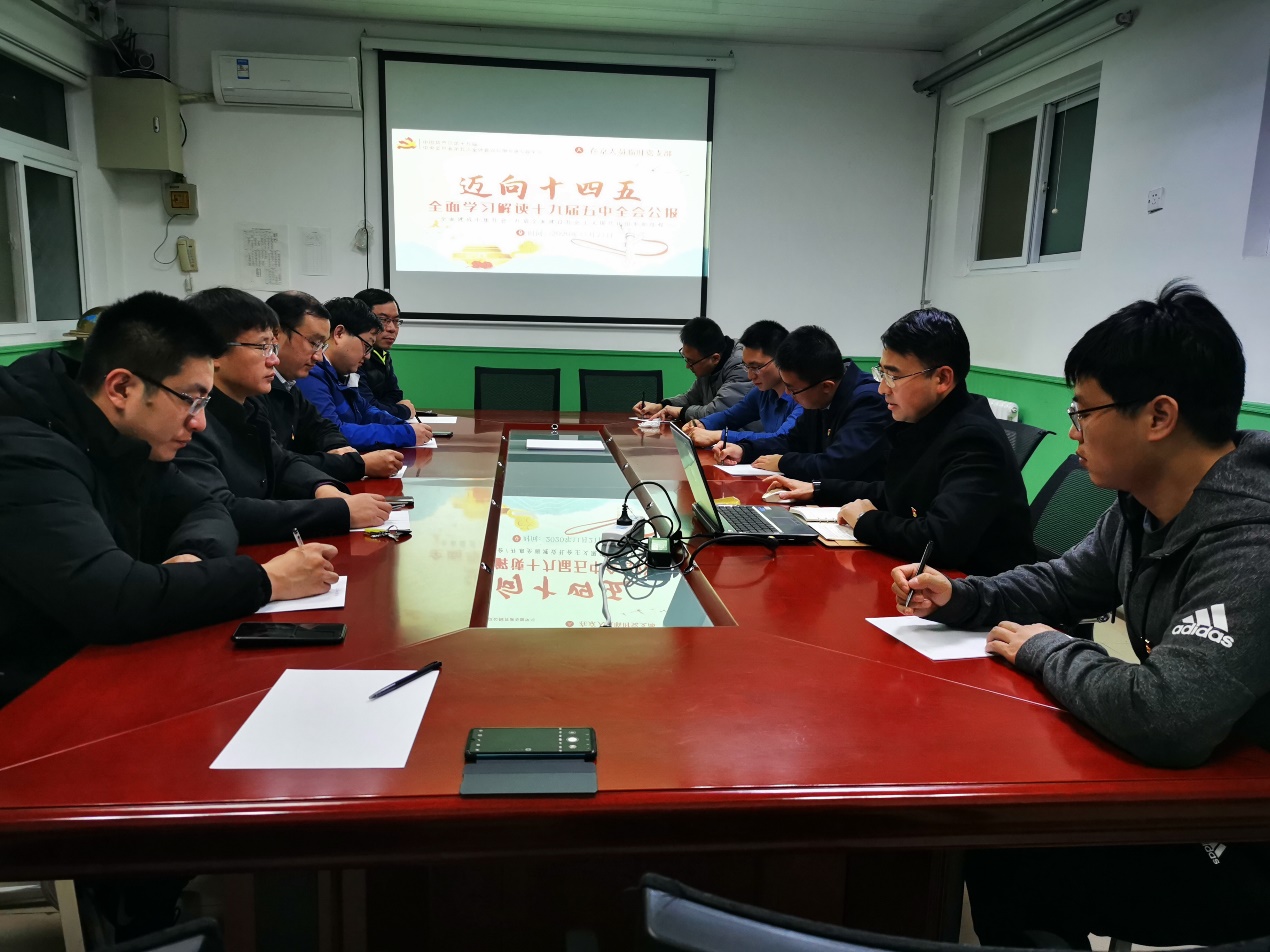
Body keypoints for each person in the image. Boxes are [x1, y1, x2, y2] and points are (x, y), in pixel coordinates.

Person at [892, 283, 1270, 947]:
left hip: (1245, 839)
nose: (1072, 430)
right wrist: (963, 596)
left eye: (1084, 411)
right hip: (1208, 789)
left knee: (1009, 851)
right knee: (995, 833)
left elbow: (1169, 717)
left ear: (1158, 417)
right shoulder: (1142, 505)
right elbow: (1062, 583)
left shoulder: (1253, 541)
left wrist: (1046, 648)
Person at [0, 291, 338, 709]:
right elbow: (110, 598)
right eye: (190, 400)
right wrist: (267, 581)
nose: (200, 423)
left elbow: (207, 507)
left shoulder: (125, 435)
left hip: (97, 665)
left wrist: (194, 557)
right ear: (122, 388)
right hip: (29, 697)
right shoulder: (24, 455)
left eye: (205, 403)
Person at [766, 309, 1032, 576]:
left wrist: (866, 520)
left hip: (978, 588)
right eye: (881, 373)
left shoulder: (974, 440)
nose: (882, 388)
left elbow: (940, 541)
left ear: (942, 379)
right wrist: (819, 489)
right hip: (932, 581)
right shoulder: (927, 420)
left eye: (893, 376)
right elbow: (898, 492)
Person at [175, 287, 392, 543]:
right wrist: (337, 511)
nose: (273, 360)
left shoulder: (249, 406)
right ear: (215, 351)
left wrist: (323, 488)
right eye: (263, 347)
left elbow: (281, 462)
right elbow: (221, 510)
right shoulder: (187, 422)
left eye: (272, 347)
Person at [713, 325, 890, 481]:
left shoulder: (868, 401)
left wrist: (783, 462)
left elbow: (838, 464)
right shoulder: (818, 393)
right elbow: (791, 441)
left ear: (826, 386)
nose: (788, 394)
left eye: (793, 389)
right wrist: (745, 450)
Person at [263, 291, 404, 480]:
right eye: (313, 343)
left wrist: (340, 449)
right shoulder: (258, 390)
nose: (319, 356)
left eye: (321, 345)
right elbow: (276, 463)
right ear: (276, 335)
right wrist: (355, 464)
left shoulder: (289, 385)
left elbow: (323, 428)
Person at [296, 297, 433, 451]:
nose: (367, 356)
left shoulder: (340, 373)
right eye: (366, 346)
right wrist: (403, 434)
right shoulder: (311, 373)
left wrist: (402, 426)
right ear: (339, 333)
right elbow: (334, 432)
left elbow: (366, 410)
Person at [680, 320, 803, 448]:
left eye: (756, 367)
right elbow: (731, 416)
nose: (750, 376)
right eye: (747, 366)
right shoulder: (762, 392)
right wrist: (703, 424)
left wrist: (720, 435)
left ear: (781, 359)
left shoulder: (803, 397)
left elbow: (780, 438)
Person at [633, 317, 752, 422]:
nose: (687, 366)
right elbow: (691, 398)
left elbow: (717, 413)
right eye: (686, 359)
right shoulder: (708, 364)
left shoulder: (743, 367)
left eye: (691, 362)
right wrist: (661, 406)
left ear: (715, 358)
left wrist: (681, 412)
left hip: (742, 438)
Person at [353, 287, 416, 420]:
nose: (392, 328)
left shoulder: (383, 355)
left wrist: (385, 407)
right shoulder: (353, 358)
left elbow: (395, 395)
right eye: (383, 320)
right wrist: (403, 410)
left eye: (396, 321)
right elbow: (367, 408)